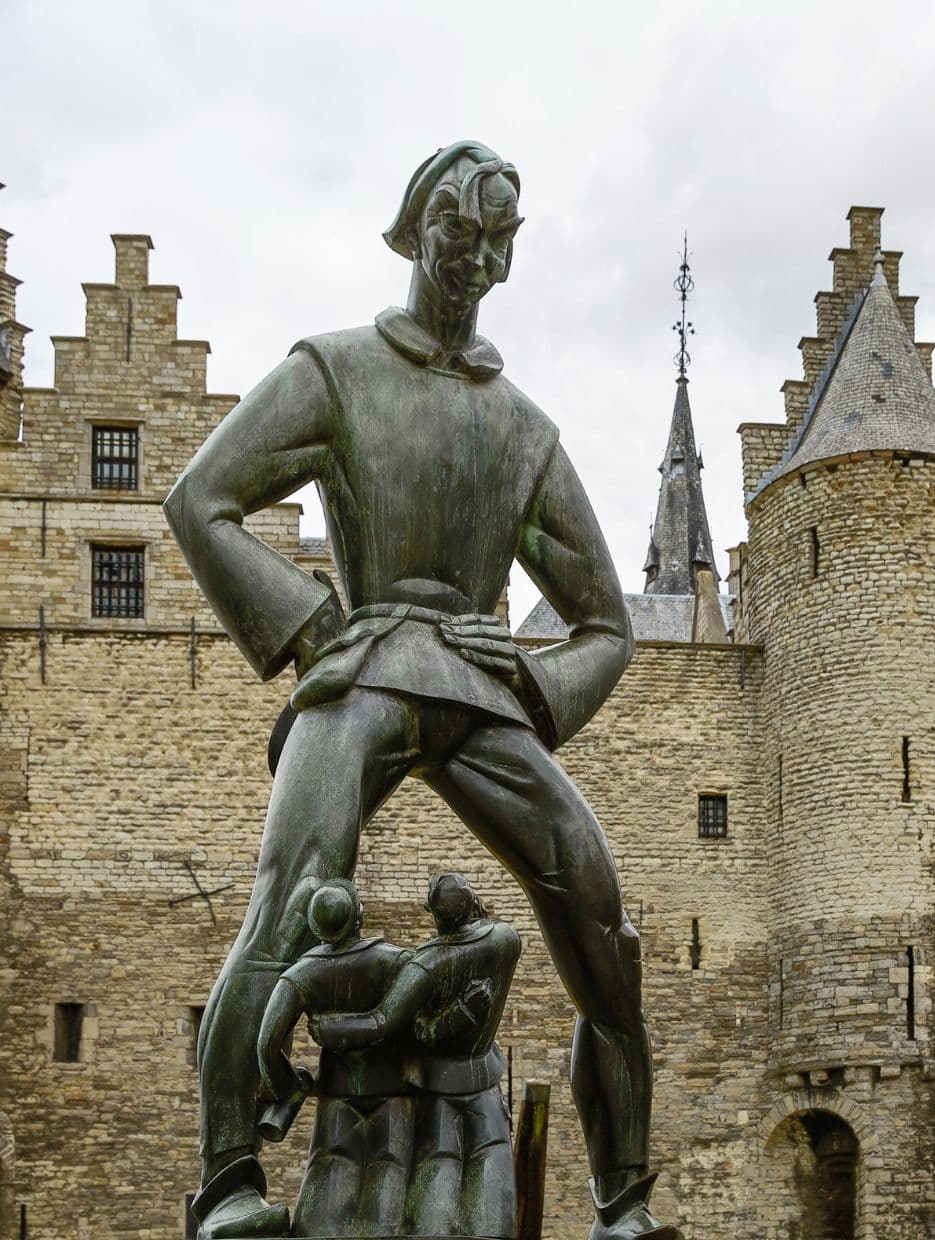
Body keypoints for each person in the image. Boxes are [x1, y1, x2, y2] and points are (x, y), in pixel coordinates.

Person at [167, 141, 677, 1239]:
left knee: (598, 914)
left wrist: (536, 691)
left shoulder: (524, 428)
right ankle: (228, 1183)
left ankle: (624, 1198)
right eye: (462, 231)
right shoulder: (338, 371)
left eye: (500, 239)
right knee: (292, 884)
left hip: (483, 691)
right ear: (415, 232)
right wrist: (310, 628)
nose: (479, 259)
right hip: (365, 667)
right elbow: (199, 497)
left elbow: (608, 625)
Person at [310, 872, 521, 1238]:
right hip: (485, 1080)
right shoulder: (506, 940)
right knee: (493, 1174)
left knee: (437, 1176)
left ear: (435, 916)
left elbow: (381, 1022)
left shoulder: (427, 963)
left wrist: (329, 1029)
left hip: (438, 1086)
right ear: (473, 904)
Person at [257, 879, 417, 1237]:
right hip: (394, 1094)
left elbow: (267, 1044)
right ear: (358, 914)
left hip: (337, 1096)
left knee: (327, 1179)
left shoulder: (302, 974)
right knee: (389, 1175)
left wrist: (289, 1086)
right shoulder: (397, 961)